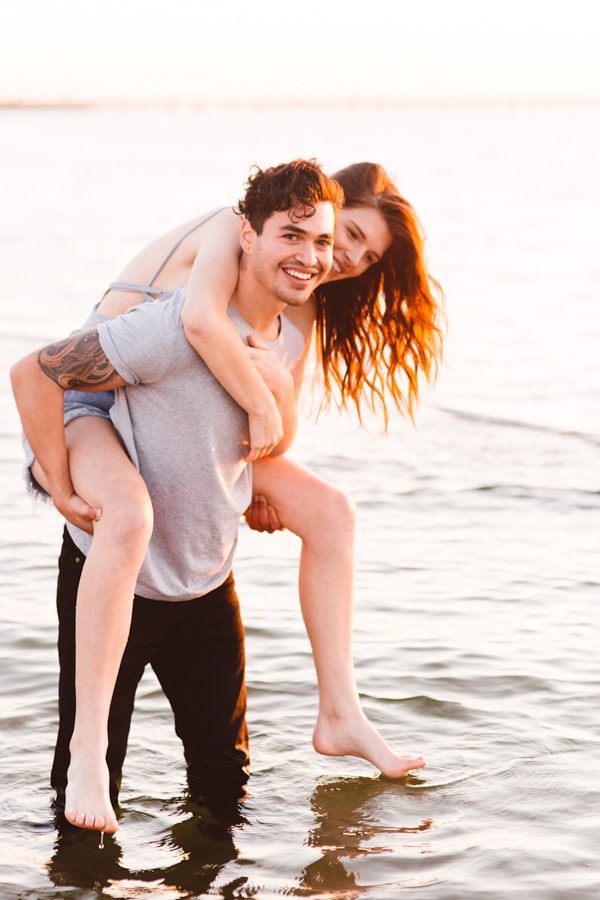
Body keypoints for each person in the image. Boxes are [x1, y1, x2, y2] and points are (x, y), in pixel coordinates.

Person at [14, 160, 443, 834]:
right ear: (257, 232)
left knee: (332, 512)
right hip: (91, 398)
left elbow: (276, 432)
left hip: (199, 564)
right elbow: (202, 326)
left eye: (354, 249)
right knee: (127, 515)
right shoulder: (220, 247)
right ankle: (87, 754)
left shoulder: (297, 318)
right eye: (345, 233)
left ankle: (340, 710)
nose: (344, 259)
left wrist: (261, 428)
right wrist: (58, 479)